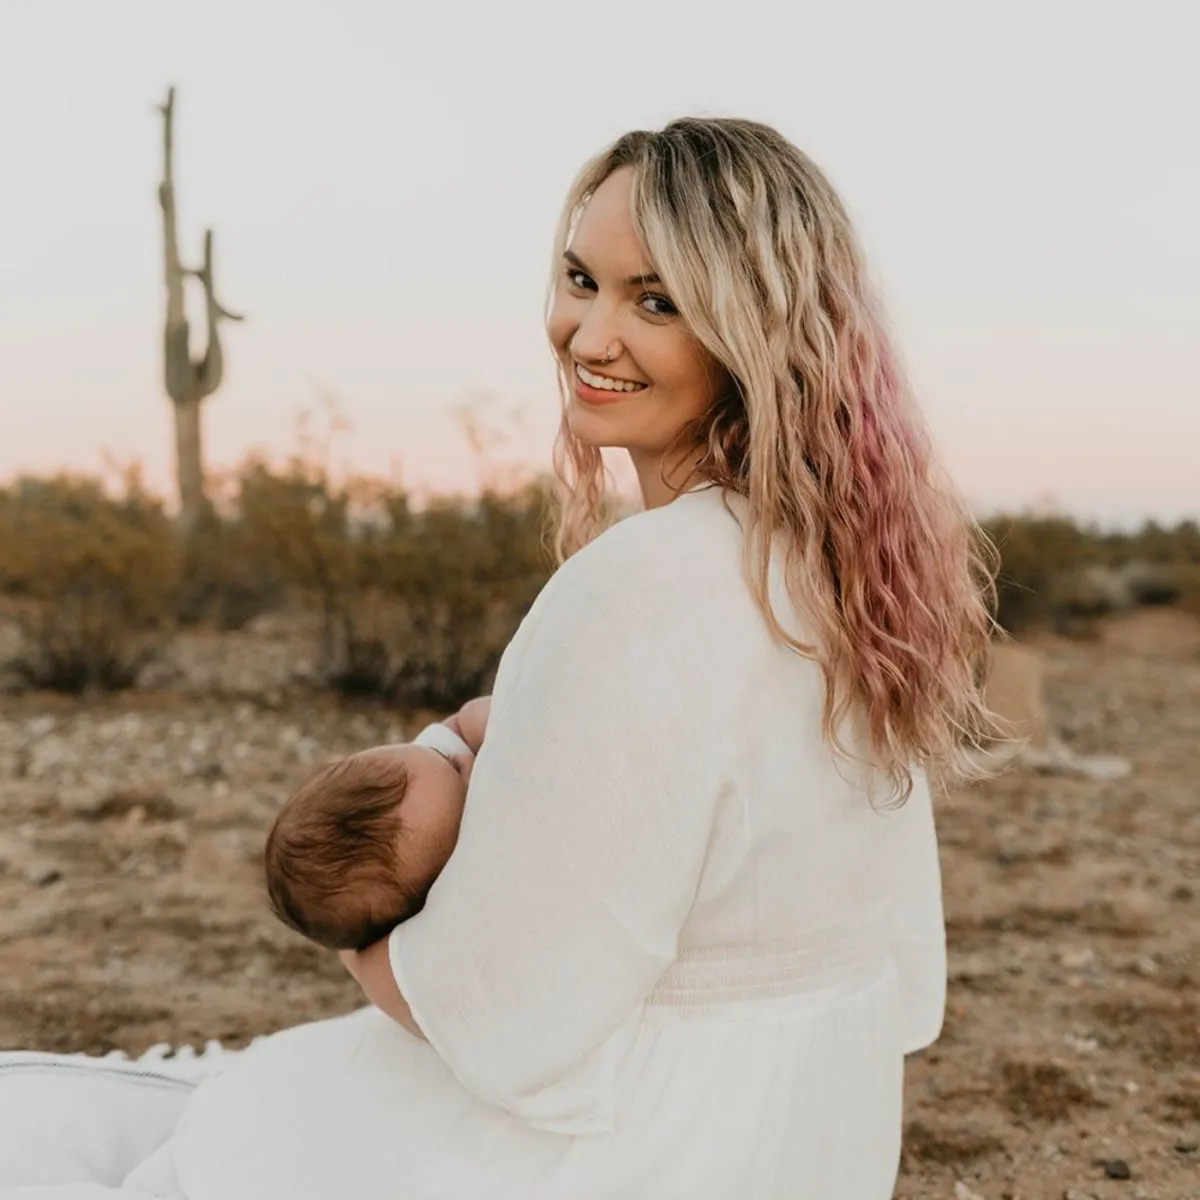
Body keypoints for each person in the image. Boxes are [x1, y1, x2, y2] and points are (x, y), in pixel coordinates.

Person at [0, 116, 1000, 1200]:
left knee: (56, 1120)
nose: (588, 333)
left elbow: (508, 1016)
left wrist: (364, 944)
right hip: (807, 1147)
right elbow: (891, 961)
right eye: (581, 279)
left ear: (753, 329)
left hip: (628, 1154)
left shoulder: (640, 585)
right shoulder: (850, 578)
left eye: (655, 300)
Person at [264, 701, 489, 951]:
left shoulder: (433, 758)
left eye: (452, 764)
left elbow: (460, 725)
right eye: (466, 815)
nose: (475, 774)